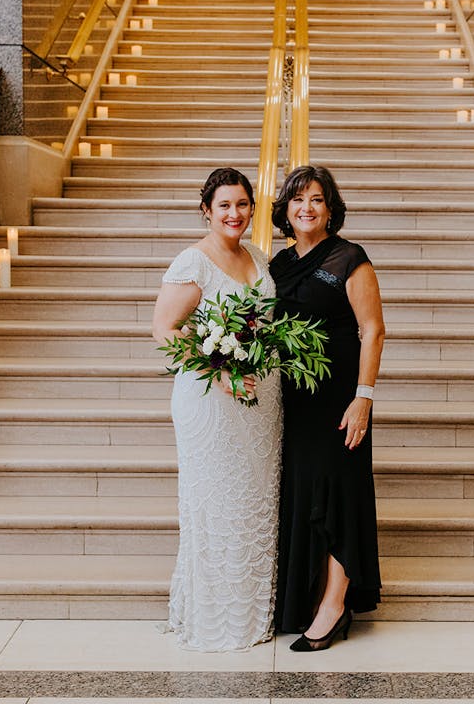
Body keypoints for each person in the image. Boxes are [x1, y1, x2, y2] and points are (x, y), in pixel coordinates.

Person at [151, 167, 282, 652]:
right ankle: (214, 618)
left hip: (261, 402)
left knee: (254, 502)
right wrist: (220, 372)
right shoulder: (194, 261)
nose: (235, 214)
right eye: (225, 205)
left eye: (243, 205)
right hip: (211, 402)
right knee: (217, 503)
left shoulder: (258, 256)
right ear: (206, 209)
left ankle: (253, 613)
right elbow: (164, 330)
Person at [269, 164, 385, 652]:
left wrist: (364, 398)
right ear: (285, 210)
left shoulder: (349, 258)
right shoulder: (277, 265)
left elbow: (373, 330)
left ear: (331, 208)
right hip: (295, 399)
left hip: (341, 396)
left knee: (340, 492)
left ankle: (336, 605)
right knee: (304, 493)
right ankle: (307, 597)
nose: (306, 208)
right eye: (298, 200)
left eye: (316, 199)